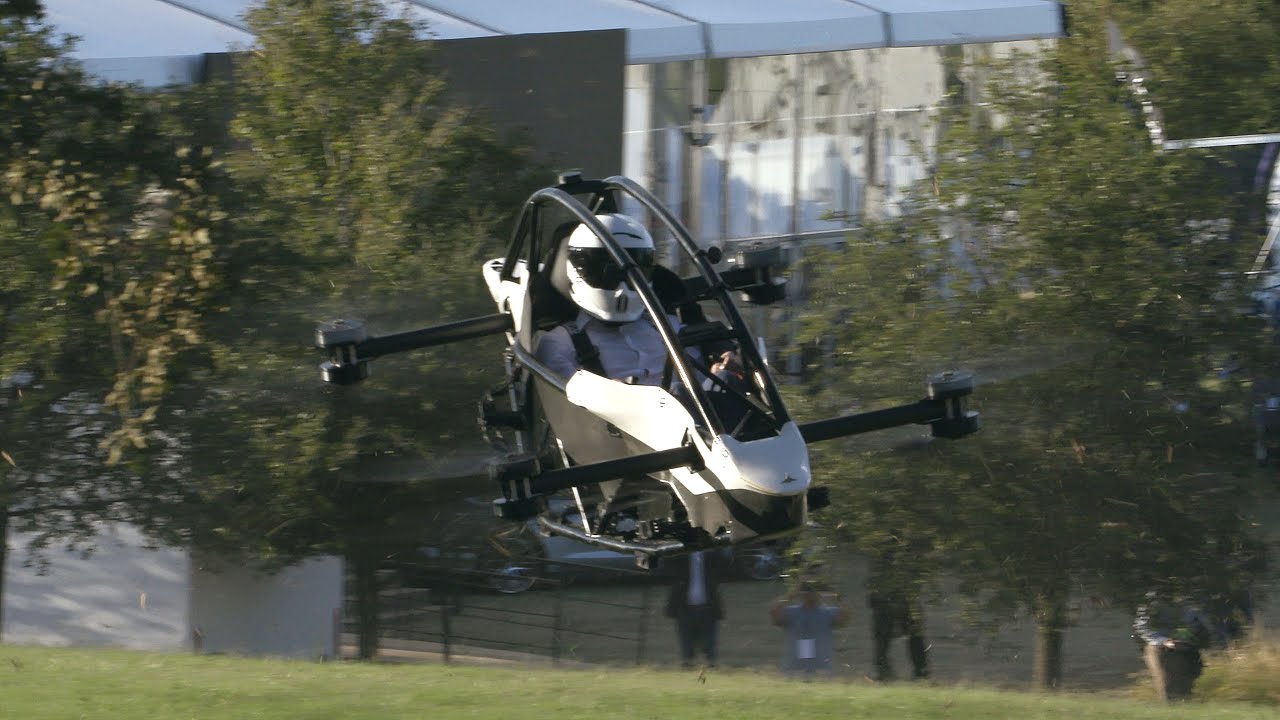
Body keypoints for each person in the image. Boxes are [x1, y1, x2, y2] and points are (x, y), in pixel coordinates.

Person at [533, 213, 673, 385]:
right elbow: (567, 408)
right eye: (611, 272)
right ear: (579, 270)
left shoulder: (668, 327)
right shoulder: (559, 344)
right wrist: (606, 395)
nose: (622, 284)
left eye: (635, 272)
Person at [1132, 589, 1214, 701]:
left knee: (1187, 686)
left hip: (1187, 646)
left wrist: (1192, 638)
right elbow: (1142, 627)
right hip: (1161, 648)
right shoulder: (1151, 600)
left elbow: (1199, 623)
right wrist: (1164, 641)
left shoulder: (1189, 597)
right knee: (1168, 687)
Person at [866, 547, 929, 681]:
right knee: (886, 637)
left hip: (896, 597)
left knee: (911, 636)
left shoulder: (887, 557)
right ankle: (918, 673)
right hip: (889, 597)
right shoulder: (887, 558)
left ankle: (919, 673)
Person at [771, 580, 850, 678]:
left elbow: (845, 618)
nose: (810, 593)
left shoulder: (828, 613)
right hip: (795, 668)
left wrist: (836, 594)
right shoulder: (791, 612)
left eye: (814, 590)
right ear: (801, 594)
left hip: (821, 668)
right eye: (807, 590)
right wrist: (791, 594)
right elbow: (775, 614)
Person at [664, 549, 727, 668]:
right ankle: (688, 663)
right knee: (686, 643)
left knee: (710, 643)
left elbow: (724, 565)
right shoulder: (679, 554)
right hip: (684, 605)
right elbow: (667, 566)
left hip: (708, 605)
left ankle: (711, 664)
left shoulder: (711, 554)